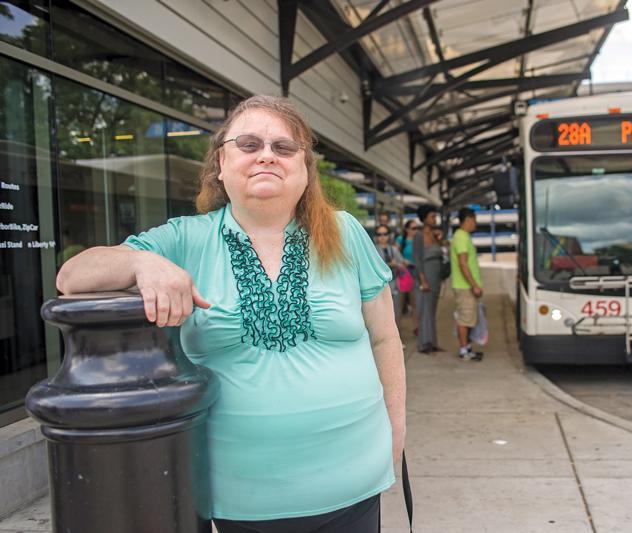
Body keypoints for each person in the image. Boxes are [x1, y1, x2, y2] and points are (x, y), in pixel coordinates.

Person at [56, 95, 406, 533]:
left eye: (284, 147)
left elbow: (385, 338)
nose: (267, 156)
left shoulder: (345, 233)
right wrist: (142, 262)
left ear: (304, 169)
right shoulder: (186, 239)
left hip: (353, 487)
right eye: (249, 143)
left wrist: (397, 427)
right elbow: (73, 275)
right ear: (221, 163)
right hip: (238, 502)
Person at [451, 207, 483, 361]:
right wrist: (474, 285)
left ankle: (468, 347)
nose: (475, 224)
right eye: (474, 220)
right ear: (469, 220)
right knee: (464, 319)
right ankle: (464, 350)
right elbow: (463, 264)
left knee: (468, 318)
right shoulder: (462, 237)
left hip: (464, 286)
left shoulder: (461, 236)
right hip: (465, 287)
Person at [413, 204, 444, 354]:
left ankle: (433, 341)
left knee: (432, 310)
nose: (434, 219)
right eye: (432, 217)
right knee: (425, 310)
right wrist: (423, 279)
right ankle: (424, 343)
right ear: (424, 219)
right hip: (425, 276)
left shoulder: (435, 235)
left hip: (436, 276)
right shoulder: (419, 236)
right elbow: (417, 259)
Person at [374, 223, 404, 329]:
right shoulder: (372, 250)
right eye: (379, 234)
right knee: (380, 314)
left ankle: (397, 339)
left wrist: (396, 264)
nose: (382, 236)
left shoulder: (393, 249)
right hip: (378, 287)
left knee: (395, 311)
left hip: (394, 284)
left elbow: (402, 265)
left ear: (389, 235)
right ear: (376, 236)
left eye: (385, 234)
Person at [398, 220, 418, 331]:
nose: (416, 231)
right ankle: (397, 329)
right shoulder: (401, 240)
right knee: (400, 304)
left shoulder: (419, 241)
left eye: (417, 228)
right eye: (413, 228)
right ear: (407, 229)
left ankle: (416, 327)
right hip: (403, 274)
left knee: (415, 303)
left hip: (415, 273)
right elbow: (395, 254)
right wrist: (402, 261)